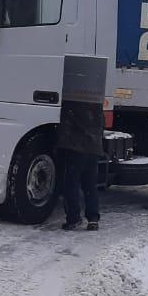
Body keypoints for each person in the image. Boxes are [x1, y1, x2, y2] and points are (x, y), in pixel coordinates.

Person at [57, 98, 104, 230]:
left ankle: (73, 218)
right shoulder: (97, 105)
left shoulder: (70, 103)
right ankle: (93, 219)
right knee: (90, 185)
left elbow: (65, 126)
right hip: (94, 149)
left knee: (71, 185)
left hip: (76, 149)